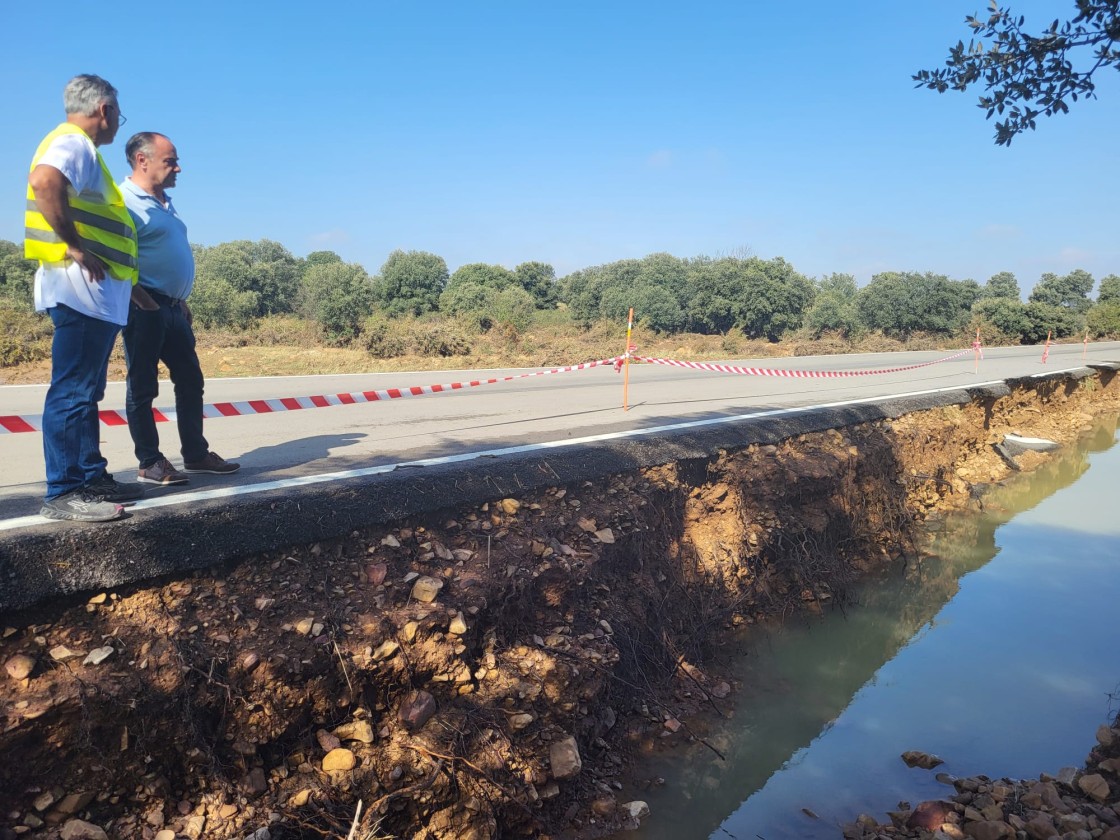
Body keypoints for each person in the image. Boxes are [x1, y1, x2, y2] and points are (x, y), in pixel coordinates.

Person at [26, 75, 144, 522]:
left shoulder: (83, 149)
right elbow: (44, 181)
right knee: (73, 391)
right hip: (78, 294)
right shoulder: (73, 142)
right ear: (105, 110)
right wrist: (74, 245)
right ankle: (65, 491)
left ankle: (89, 477)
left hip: (94, 298)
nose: (116, 122)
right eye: (118, 114)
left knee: (84, 392)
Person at [120, 132, 240, 484]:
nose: (178, 168)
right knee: (143, 386)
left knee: (191, 381)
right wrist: (143, 300)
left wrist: (180, 299)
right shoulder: (123, 201)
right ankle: (150, 462)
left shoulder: (165, 203)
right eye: (170, 160)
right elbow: (114, 256)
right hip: (145, 306)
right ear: (143, 160)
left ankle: (196, 454)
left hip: (172, 308)